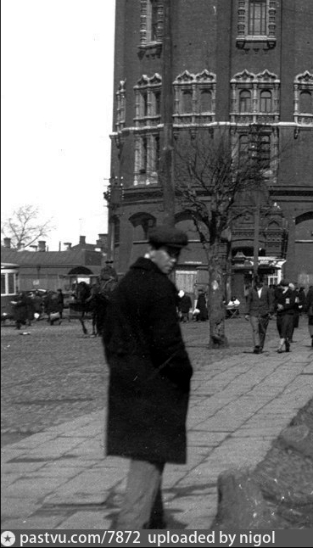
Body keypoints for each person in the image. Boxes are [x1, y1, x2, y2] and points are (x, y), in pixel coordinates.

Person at [100, 226, 193, 529]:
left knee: (151, 453)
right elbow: (168, 344)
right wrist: (184, 372)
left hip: (129, 385)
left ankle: (154, 524)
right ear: (154, 250)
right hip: (156, 388)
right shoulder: (158, 287)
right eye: (170, 254)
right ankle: (130, 528)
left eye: (177, 254)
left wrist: (123, 370)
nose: (174, 260)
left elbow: (109, 337)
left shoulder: (127, 284)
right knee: (149, 457)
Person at [244, 275, 272, 354]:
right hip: (254, 312)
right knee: (255, 329)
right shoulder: (251, 290)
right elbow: (248, 302)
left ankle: (261, 346)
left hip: (264, 313)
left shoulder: (267, 290)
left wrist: (270, 311)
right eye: (257, 283)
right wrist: (247, 313)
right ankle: (257, 345)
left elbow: (270, 301)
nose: (259, 285)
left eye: (260, 283)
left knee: (262, 331)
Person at [274, 280, 303, 353]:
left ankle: (280, 347)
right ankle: (287, 343)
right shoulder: (278, 292)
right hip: (279, 313)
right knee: (280, 329)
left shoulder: (292, 293)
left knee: (284, 329)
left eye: (280, 286)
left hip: (288, 313)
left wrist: (283, 307)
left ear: (283, 286)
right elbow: (275, 301)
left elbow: (292, 303)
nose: (279, 287)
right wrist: (276, 306)